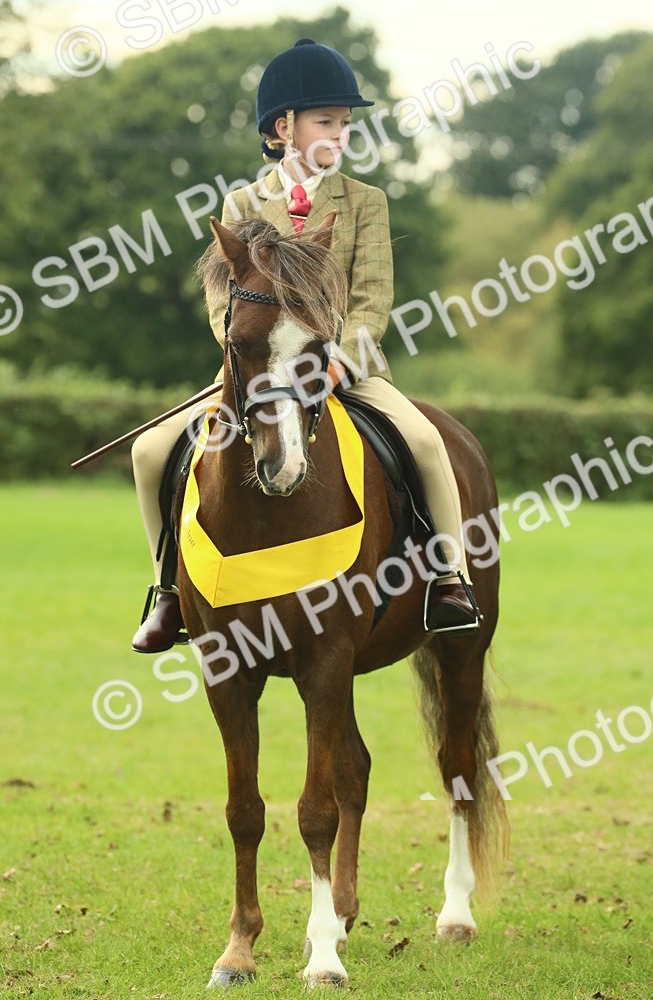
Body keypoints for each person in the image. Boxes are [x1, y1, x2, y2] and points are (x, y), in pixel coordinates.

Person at [130, 38, 479, 653]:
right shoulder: (241, 205)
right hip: (256, 369)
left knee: (426, 441)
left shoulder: (366, 203)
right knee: (150, 452)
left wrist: (343, 356)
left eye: (345, 124)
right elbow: (223, 303)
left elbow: (373, 297)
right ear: (282, 127)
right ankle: (167, 592)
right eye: (327, 121)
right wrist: (251, 352)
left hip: (344, 367)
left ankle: (449, 580)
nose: (339, 134)